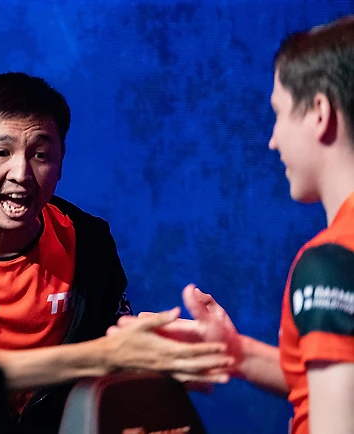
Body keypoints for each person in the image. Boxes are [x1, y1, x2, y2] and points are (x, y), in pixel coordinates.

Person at [0, 72, 234, 433]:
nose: (21, 173)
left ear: (61, 161)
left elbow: (117, 363)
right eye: (1, 152)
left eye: (40, 154)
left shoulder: (89, 242)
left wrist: (179, 353)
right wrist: (105, 355)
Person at [117, 15, 354, 434]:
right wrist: (236, 352)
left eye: (279, 114)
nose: (273, 140)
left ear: (319, 113)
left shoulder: (331, 263)